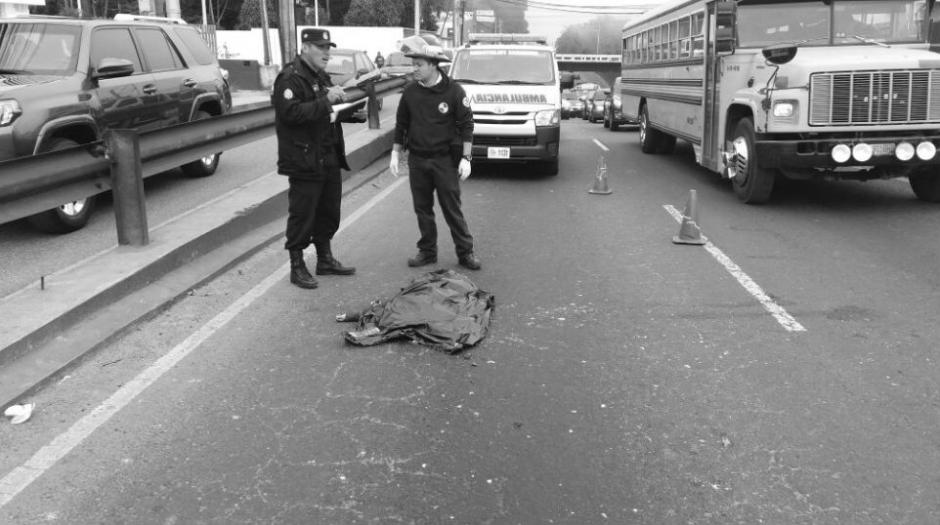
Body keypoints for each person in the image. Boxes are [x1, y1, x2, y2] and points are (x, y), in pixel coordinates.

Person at [272, 28, 356, 289]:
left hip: (327, 153)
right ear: (305, 47)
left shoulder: (320, 76)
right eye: (321, 47)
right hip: (304, 158)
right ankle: (297, 266)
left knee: (329, 210)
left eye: (328, 48)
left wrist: (349, 111)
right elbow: (291, 114)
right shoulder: (290, 78)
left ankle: (325, 259)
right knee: (302, 214)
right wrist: (328, 100)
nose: (326, 53)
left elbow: (324, 112)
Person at [389, 36, 480, 271]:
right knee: (422, 209)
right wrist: (395, 153)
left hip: (444, 161)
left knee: (452, 208)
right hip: (418, 160)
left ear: (432, 64)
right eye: (413, 64)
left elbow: (467, 125)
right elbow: (401, 125)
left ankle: (465, 252)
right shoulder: (410, 93)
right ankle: (427, 251)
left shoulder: (454, 91)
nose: (414, 69)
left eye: (418, 65)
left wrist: (466, 157)